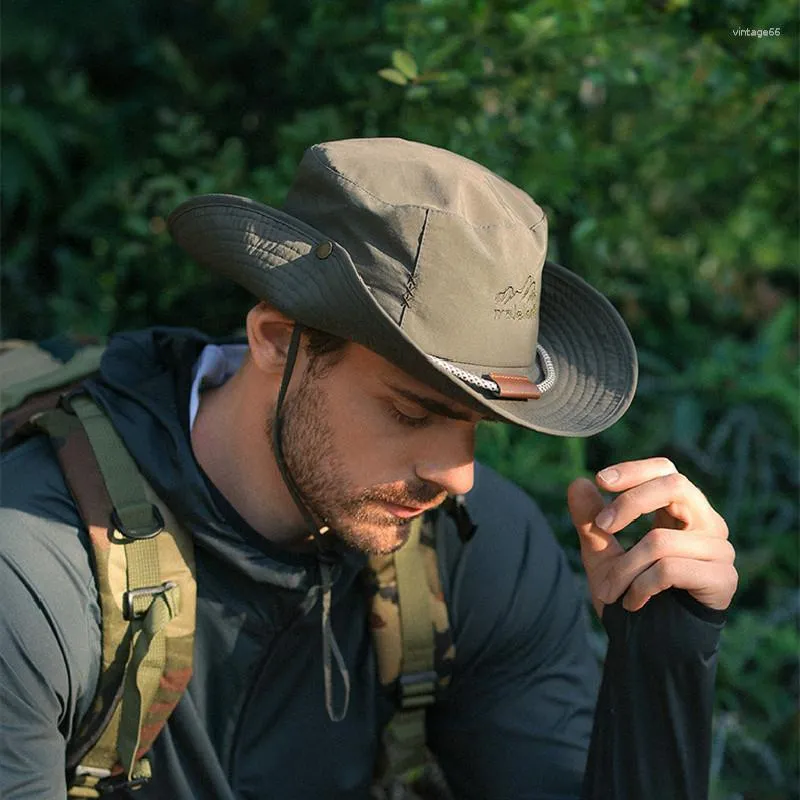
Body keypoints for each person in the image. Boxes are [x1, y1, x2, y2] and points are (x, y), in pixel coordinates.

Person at [0, 138, 737, 799]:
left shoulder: (475, 554)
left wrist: (660, 656)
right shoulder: (37, 571)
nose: (459, 478)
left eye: (476, 426)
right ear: (278, 340)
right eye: (412, 413)